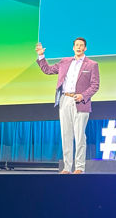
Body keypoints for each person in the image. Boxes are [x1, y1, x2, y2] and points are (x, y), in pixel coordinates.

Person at [36, 37, 99, 174]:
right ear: (73, 47)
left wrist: (83, 95)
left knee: (80, 136)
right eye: (76, 45)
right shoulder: (65, 62)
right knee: (66, 135)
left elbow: (95, 85)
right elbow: (48, 70)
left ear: (85, 48)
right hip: (65, 99)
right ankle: (67, 167)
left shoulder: (92, 65)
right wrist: (41, 55)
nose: (79, 47)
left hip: (80, 101)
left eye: (81, 45)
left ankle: (79, 167)